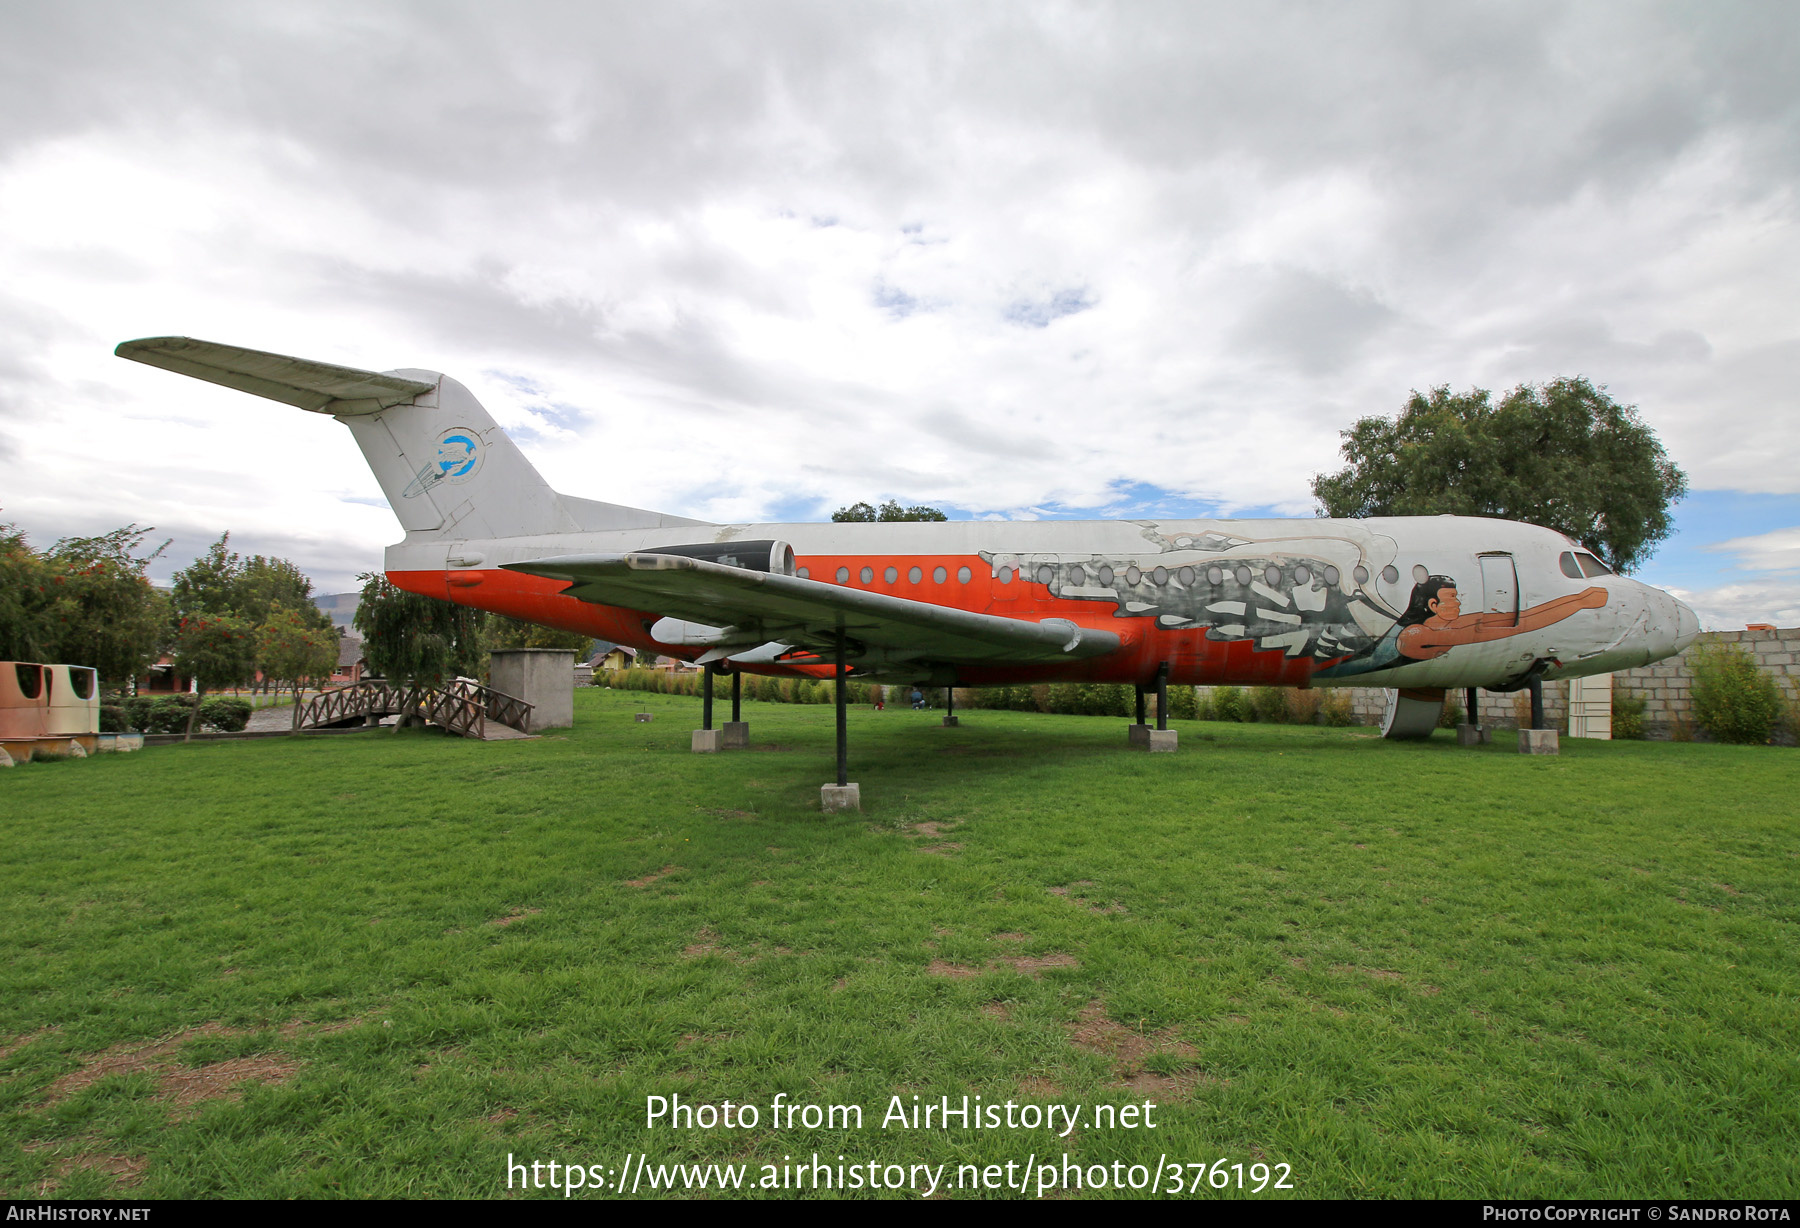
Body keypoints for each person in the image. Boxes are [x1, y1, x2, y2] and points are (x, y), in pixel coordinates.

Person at [1317, 575, 1607, 679]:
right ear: (1432, 605)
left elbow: (1519, 619)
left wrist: (1578, 600)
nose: (1459, 603)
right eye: (1452, 598)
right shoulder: (1416, 635)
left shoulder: (1439, 626)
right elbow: (1507, 630)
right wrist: (1578, 602)